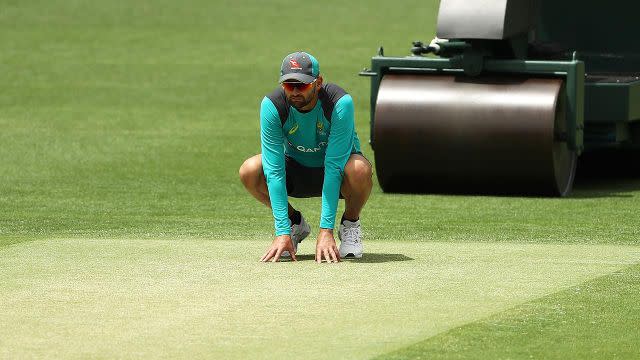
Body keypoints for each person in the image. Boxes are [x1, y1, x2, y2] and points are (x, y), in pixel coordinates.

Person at [239, 51, 373, 263]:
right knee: (250, 170)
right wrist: (281, 231)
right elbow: (274, 171)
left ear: (318, 82)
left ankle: (350, 223)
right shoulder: (272, 106)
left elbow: (334, 166)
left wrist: (325, 230)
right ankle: (294, 225)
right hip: (297, 169)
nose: (294, 92)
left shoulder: (339, 103)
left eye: (301, 85)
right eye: (288, 85)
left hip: (339, 174)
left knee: (359, 169)